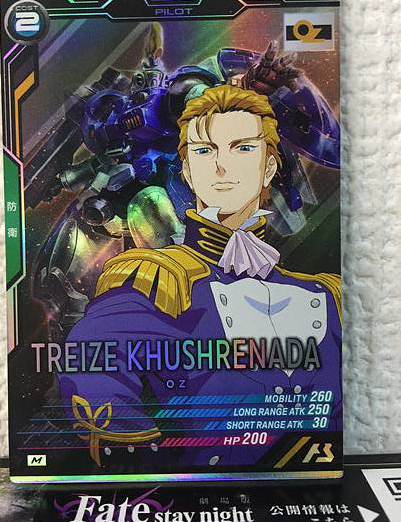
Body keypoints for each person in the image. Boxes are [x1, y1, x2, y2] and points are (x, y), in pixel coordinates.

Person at [59, 84, 341, 470]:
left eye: (243, 148)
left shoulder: (328, 296)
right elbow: (90, 355)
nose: (223, 166)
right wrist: (142, 466)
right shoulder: (162, 281)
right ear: (188, 172)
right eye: (206, 151)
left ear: (268, 167)